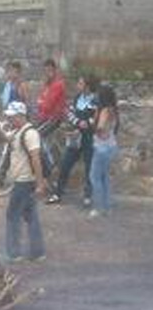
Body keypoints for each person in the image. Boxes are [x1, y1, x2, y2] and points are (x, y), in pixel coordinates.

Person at [2, 102, 47, 262]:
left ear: (21, 116)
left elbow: (36, 159)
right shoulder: (17, 131)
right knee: (31, 216)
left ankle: (13, 253)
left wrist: (40, 183)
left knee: (12, 216)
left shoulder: (29, 134)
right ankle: (38, 252)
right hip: (24, 181)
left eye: (12, 116)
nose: (9, 119)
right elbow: (7, 140)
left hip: (24, 182)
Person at [47, 74, 98, 206]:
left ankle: (88, 195)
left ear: (87, 86)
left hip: (89, 138)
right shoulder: (77, 98)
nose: (78, 85)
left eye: (80, 83)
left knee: (89, 167)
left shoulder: (95, 100)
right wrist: (78, 122)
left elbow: (96, 118)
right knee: (65, 164)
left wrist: (87, 123)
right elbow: (69, 112)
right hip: (75, 136)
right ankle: (58, 193)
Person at [89, 85, 119, 218]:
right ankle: (107, 207)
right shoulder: (113, 110)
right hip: (111, 146)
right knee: (104, 177)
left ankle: (98, 208)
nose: (96, 96)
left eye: (98, 94)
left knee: (94, 177)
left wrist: (92, 124)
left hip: (102, 147)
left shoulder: (104, 111)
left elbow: (100, 128)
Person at [36, 58, 67, 135]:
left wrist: (42, 102)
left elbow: (48, 105)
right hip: (43, 117)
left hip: (54, 119)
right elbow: (39, 101)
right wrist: (42, 103)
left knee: (36, 136)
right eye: (46, 71)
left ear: (55, 70)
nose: (48, 73)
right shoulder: (46, 85)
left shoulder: (58, 84)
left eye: (50, 71)